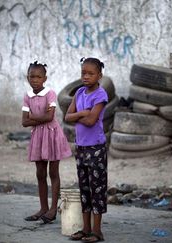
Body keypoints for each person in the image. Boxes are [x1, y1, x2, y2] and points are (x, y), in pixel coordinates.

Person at [22, 61, 72, 224]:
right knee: (40, 173)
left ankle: (52, 209)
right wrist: (39, 118)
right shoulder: (27, 96)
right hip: (38, 137)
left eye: (38, 76)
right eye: (32, 76)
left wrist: (33, 118)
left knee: (53, 173)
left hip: (52, 135)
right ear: (27, 77)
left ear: (45, 78)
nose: (35, 79)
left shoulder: (50, 93)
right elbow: (24, 122)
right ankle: (43, 208)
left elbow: (50, 117)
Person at [65, 57, 108, 242]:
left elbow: (92, 122)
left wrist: (78, 116)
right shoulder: (79, 93)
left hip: (96, 148)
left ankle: (97, 231)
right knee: (85, 189)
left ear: (99, 75)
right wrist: (82, 113)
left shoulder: (101, 95)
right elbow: (67, 116)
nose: (86, 76)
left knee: (96, 188)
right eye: (83, 73)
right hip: (81, 148)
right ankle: (86, 228)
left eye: (91, 73)